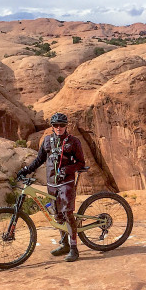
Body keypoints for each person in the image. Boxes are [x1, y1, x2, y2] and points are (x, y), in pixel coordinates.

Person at [18, 112, 86, 262]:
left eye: (62, 125)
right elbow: (39, 159)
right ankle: (65, 245)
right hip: (51, 184)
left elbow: (81, 163)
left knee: (68, 214)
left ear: (66, 126)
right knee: (57, 215)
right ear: (52, 126)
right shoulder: (48, 141)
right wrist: (26, 170)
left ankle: (74, 249)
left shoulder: (74, 142)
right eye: (56, 125)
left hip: (66, 183)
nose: (59, 127)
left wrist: (66, 170)